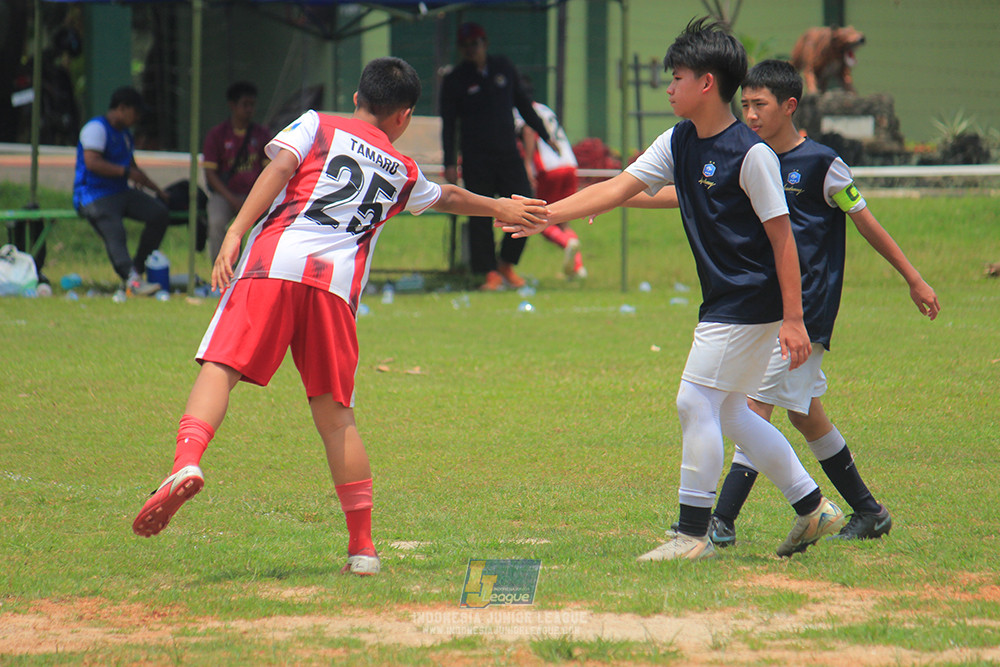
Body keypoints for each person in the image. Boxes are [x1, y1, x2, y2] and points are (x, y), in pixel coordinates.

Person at [131, 57, 548, 576]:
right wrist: (503, 209)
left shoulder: (317, 123)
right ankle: (363, 549)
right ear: (405, 118)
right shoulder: (403, 168)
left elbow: (279, 168)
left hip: (275, 263)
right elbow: (450, 196)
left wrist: (237, 230)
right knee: (336, 417)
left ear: (357, 99)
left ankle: (185, 462)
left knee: (222, 365)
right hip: (335, 288)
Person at [500, 18, 844, 561]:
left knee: (693, 400)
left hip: (750, 300)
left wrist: (795, 320)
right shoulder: (679, 139)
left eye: (677, 75)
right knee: (731, 413)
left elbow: (784, 241)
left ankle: (692, 535)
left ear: (706, 83)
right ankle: (812, 507)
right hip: (727, 299)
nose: (668, 85)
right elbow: (620, 185)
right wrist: (545, 215)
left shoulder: (751, 154)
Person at [689, 59, 939, 546]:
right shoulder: (750, 158)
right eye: (745, 105)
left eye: (759, 105)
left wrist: (913, 278)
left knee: (751, 405)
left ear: (789, 106)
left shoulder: (823, 164)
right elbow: (687, 195)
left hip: (804, 313)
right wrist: (623, 197)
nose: (751, 114)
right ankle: (869, 511)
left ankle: (721, 521)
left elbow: (866, 221)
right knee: (805, 414)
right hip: (770, 310)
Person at [440, 21, 555, 290]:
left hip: (508, 156)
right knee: (480, 214)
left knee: (529, 207)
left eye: (476, 44)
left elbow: (524, 105)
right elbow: (449, 123)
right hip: (475, 158)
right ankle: (489, 273)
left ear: (485, 43)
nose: (471, 49)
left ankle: (506, 264)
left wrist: (546, 135)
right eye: (466, 46)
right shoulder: (455, 79)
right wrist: (448, 162)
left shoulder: (503, 67)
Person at [73, 85, 170, 296]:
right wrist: (124, 172)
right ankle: (132, 281)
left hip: (120, 192)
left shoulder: (125, 135)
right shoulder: (95, 129)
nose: (137, 118)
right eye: (135, 112)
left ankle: (137, 268)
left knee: (159, 214)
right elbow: (92, 162)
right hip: (93, 195)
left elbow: (133, 169)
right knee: (115, 230)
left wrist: (158, 191)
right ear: (122, 108)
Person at [515, 94, 586, 279]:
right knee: (563, 220)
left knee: (541, 220)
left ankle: (567, 243)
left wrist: (528, 164)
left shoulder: (519, 110)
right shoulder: (545, 109)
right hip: (569, 164)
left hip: (549, 169)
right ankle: (577, 268)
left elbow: (529, 131)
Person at [202, 81, 272, 262]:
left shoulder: (262, 134)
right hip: (225, 195)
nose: (249, 109)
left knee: (272, 221)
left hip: (255, 194)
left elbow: (268, 170)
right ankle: (222, 275)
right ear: (232, 106)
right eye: (245, 104)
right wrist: (231, 199)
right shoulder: (217, 134)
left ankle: (257, 268)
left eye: (252, 105)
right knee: (216, 223)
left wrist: (255, 196)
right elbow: (210, 174)